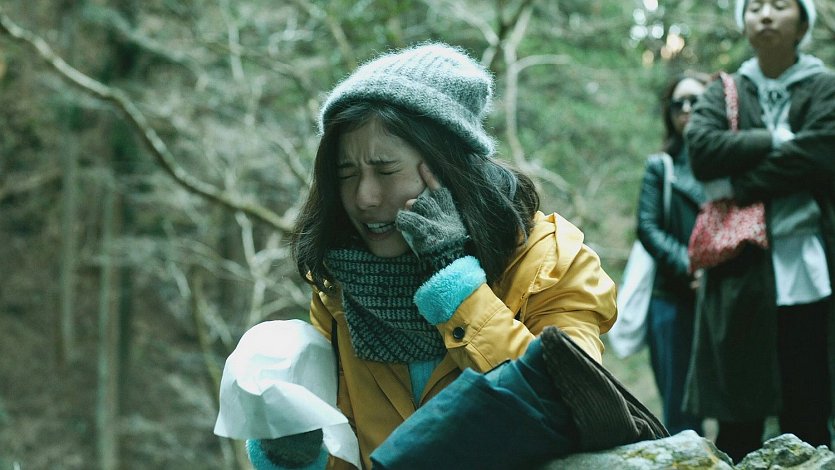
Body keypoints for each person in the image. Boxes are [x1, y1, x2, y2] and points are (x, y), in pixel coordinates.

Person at [243, 42, 663, 470]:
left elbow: (569, 405)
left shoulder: (553, 264)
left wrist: (456, 285)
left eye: (386, 170)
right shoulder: (340, 289)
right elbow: (353, 454)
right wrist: (300, 455)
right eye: (346, 173)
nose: (364, 197)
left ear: (447, 169)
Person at [684, 0, 834, 462]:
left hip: (811, 261)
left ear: (803, 22)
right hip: (741, 269)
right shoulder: (724, 90)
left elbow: (821, 154)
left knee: (810, 407)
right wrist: (774, 139)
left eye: (780, 5)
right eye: (754, 7)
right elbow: (701, 148)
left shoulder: (824, 86)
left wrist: (737, 184)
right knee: (738, 415)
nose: (765, 14)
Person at [636, 72, 709, 435]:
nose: (687, 109)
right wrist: (690, 266)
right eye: (679, 103)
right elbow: (647, 227)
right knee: (680, 411)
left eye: (696, 101)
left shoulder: (728, 165)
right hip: (671, 300)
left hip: (721, 300)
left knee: (735, 409)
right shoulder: (660, 167)